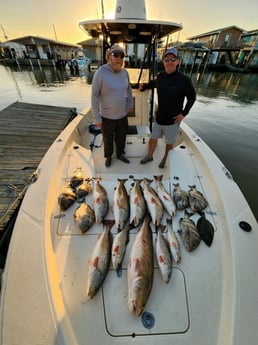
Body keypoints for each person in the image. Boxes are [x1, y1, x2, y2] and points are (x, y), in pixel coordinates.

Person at [140, 47, 196, 168]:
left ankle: (165, 159)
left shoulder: (184, 80)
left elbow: (192, 98)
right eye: (167, 59)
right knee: (153, 138)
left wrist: (183, 114)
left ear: (177, 61)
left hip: (173, 121)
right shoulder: (161, 77)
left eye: (173, 59)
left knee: (169, 143)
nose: (169, 61)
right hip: (159, 118)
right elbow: (153, 83)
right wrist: (143, 87)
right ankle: (149, 156)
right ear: (164, 62)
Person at [91, 44, 133, 167]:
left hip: (122, 115)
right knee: (107, 139)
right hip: (107, 117)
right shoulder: (100, 73)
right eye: (116, 55)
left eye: (122, 55)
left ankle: (120, 154)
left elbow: (129, 89)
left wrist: (130, 103)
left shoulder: (125, 72)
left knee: (121, 138)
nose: (119, 58)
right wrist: (97, 118)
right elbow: (94, 96)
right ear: (109, 57)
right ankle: (108, 156)